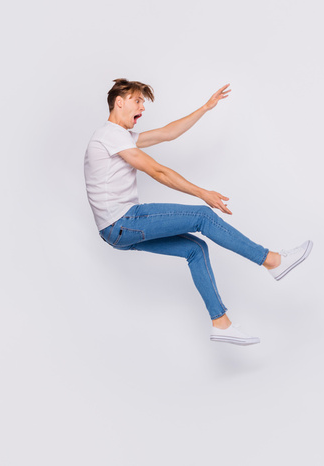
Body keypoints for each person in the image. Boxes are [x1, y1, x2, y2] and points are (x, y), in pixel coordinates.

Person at [84, 78, 312, 345]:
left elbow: (168, 132)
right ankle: (271, 260)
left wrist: (205, 107)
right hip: (122, 221)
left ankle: (221, 324)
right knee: (203, 217)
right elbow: (156, 170)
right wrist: (202, 193)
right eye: (137, 101)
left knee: (195, 249)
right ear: (119, 102)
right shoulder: (110, 135)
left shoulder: (122, 137)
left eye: (143, 104)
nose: (142, 109)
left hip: (115, 230)